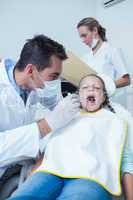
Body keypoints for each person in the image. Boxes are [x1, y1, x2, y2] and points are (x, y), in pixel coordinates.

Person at [8, 74, 133, 200]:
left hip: (89, 176)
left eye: (96, 88)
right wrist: (35, 171)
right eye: (85, 87)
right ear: (78, 95)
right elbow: (49, 146)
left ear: (104, 96)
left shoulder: (115, 122)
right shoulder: (65, 115)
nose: (91, 90)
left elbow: (126, 163)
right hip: (51, 171)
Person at [0, 34, 80, 177]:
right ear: (31, 70)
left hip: (20, 166)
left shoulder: (30, 83)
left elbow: (54, 102)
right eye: (54, 76)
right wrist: (45, 126)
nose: (56, 82)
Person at [77, 17, 131, 107]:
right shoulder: (86, 57)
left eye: (84, 35)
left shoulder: (112, 51)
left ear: (95, 30)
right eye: (81, 37)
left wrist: (103, 87)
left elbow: (126, 80)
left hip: (107, 102)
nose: (82, 40)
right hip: (88, 103)